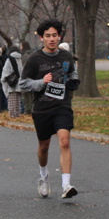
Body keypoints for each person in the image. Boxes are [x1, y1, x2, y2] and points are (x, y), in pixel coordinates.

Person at [18, 19, 80, 199]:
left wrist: (73, 81)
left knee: (65, 141)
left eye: (54, 35)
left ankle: (66, 185)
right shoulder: (34, 59)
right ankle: (43, 176)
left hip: (62, 105)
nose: (51, 39)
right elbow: (23, 83)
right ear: (41, 38)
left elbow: (72, 72)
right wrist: (41, 82)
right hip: (42, 108)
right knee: (44, 146)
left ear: (59, 36)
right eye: (47, 36)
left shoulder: (66, 56)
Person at [1, 46, 23, 118]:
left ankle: (13, 116)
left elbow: (5, 72)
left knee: (12, 102)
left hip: (12, 84)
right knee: (18, 102)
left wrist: (3, 79)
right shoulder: (20, 59)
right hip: (19, 83)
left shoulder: (9, 59)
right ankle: (17, 115)